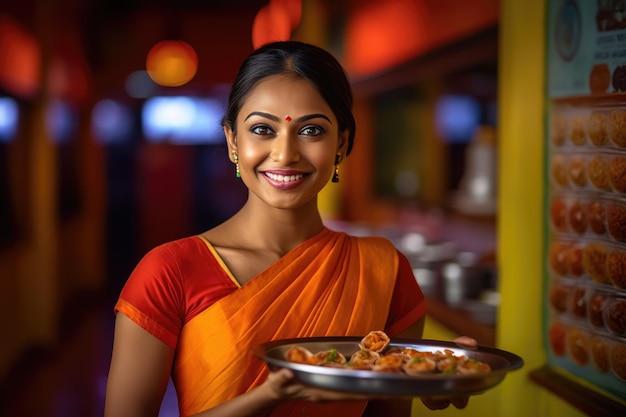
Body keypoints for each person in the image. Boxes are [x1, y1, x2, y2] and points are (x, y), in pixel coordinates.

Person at [104, 40, 476, 417]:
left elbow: (390, 407)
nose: (285, 154)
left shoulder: (384, 271)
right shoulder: (169, 272)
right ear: (233, 141)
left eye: (311, 131)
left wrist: (432, 379)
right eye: (262, 129)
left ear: (341, 143)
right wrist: (268, 396)